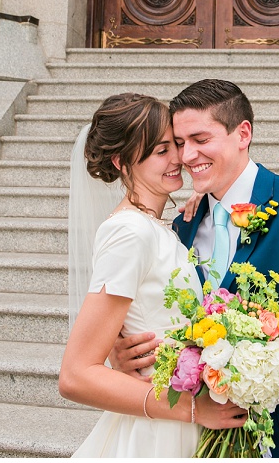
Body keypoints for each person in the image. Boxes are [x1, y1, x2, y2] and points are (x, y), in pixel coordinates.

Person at [110, 79, 279, 457]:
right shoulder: (182, 226)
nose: (187, 156)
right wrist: (124, 356)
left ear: (243, 133)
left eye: (201, 139)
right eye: (179, 143)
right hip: (203, 441)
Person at [59, 93, 247, 456]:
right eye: (162, 151)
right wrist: (195, 410)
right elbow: (75, 375)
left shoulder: (161, 226)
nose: (179, 158)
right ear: (122, 162)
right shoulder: (129, 232)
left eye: (176, 145)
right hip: (163, 427)